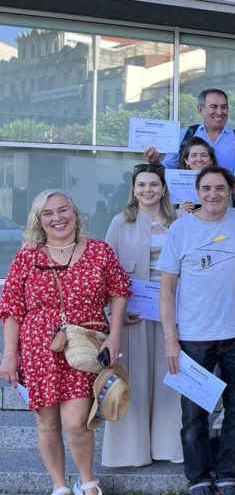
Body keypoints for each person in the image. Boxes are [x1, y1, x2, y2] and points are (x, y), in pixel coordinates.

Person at [157, 166, 235, 495]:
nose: (213, 194)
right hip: (193, 338)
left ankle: (227, 474)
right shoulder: (181, 230)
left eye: (220, 188)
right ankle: (197, 477)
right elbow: (166, 290)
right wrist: (171, 340)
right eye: (206, 188)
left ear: (230, 191)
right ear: (197, 192)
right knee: (194, 415)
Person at [0, 190, 131, 495]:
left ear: (75, 213)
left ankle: (87, 480)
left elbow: (119, 291)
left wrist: (114, 336)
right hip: (38, 347)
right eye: (48, 213)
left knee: (76, 422)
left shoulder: (100, 251)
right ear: (38, 220)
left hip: (85, 345)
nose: (57, 218)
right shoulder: (27, 256)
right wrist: (9, 354)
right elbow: (12, 310)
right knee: (47, 422)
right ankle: (59, 485)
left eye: (63, 210)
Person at [102, 164, 183, 467]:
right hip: (132, 313)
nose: (147, 190)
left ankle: (167, 446)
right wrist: (114, 312)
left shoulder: (179, 222)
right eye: (141, 185)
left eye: (153, 184)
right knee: (133, 378)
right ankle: (130, 452)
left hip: (169, 313)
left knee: (168, 379)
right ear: (133, 189)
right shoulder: (120, 222)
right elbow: (106, 271)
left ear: (163, 188)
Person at [147, 88, 235, 175]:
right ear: (200, 109)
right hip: (187, 194)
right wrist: (155, 162)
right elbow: (168, 169)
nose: (219, 112)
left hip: (226, 195)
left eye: (224, 107)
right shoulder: (184, 135)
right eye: (213, 107)